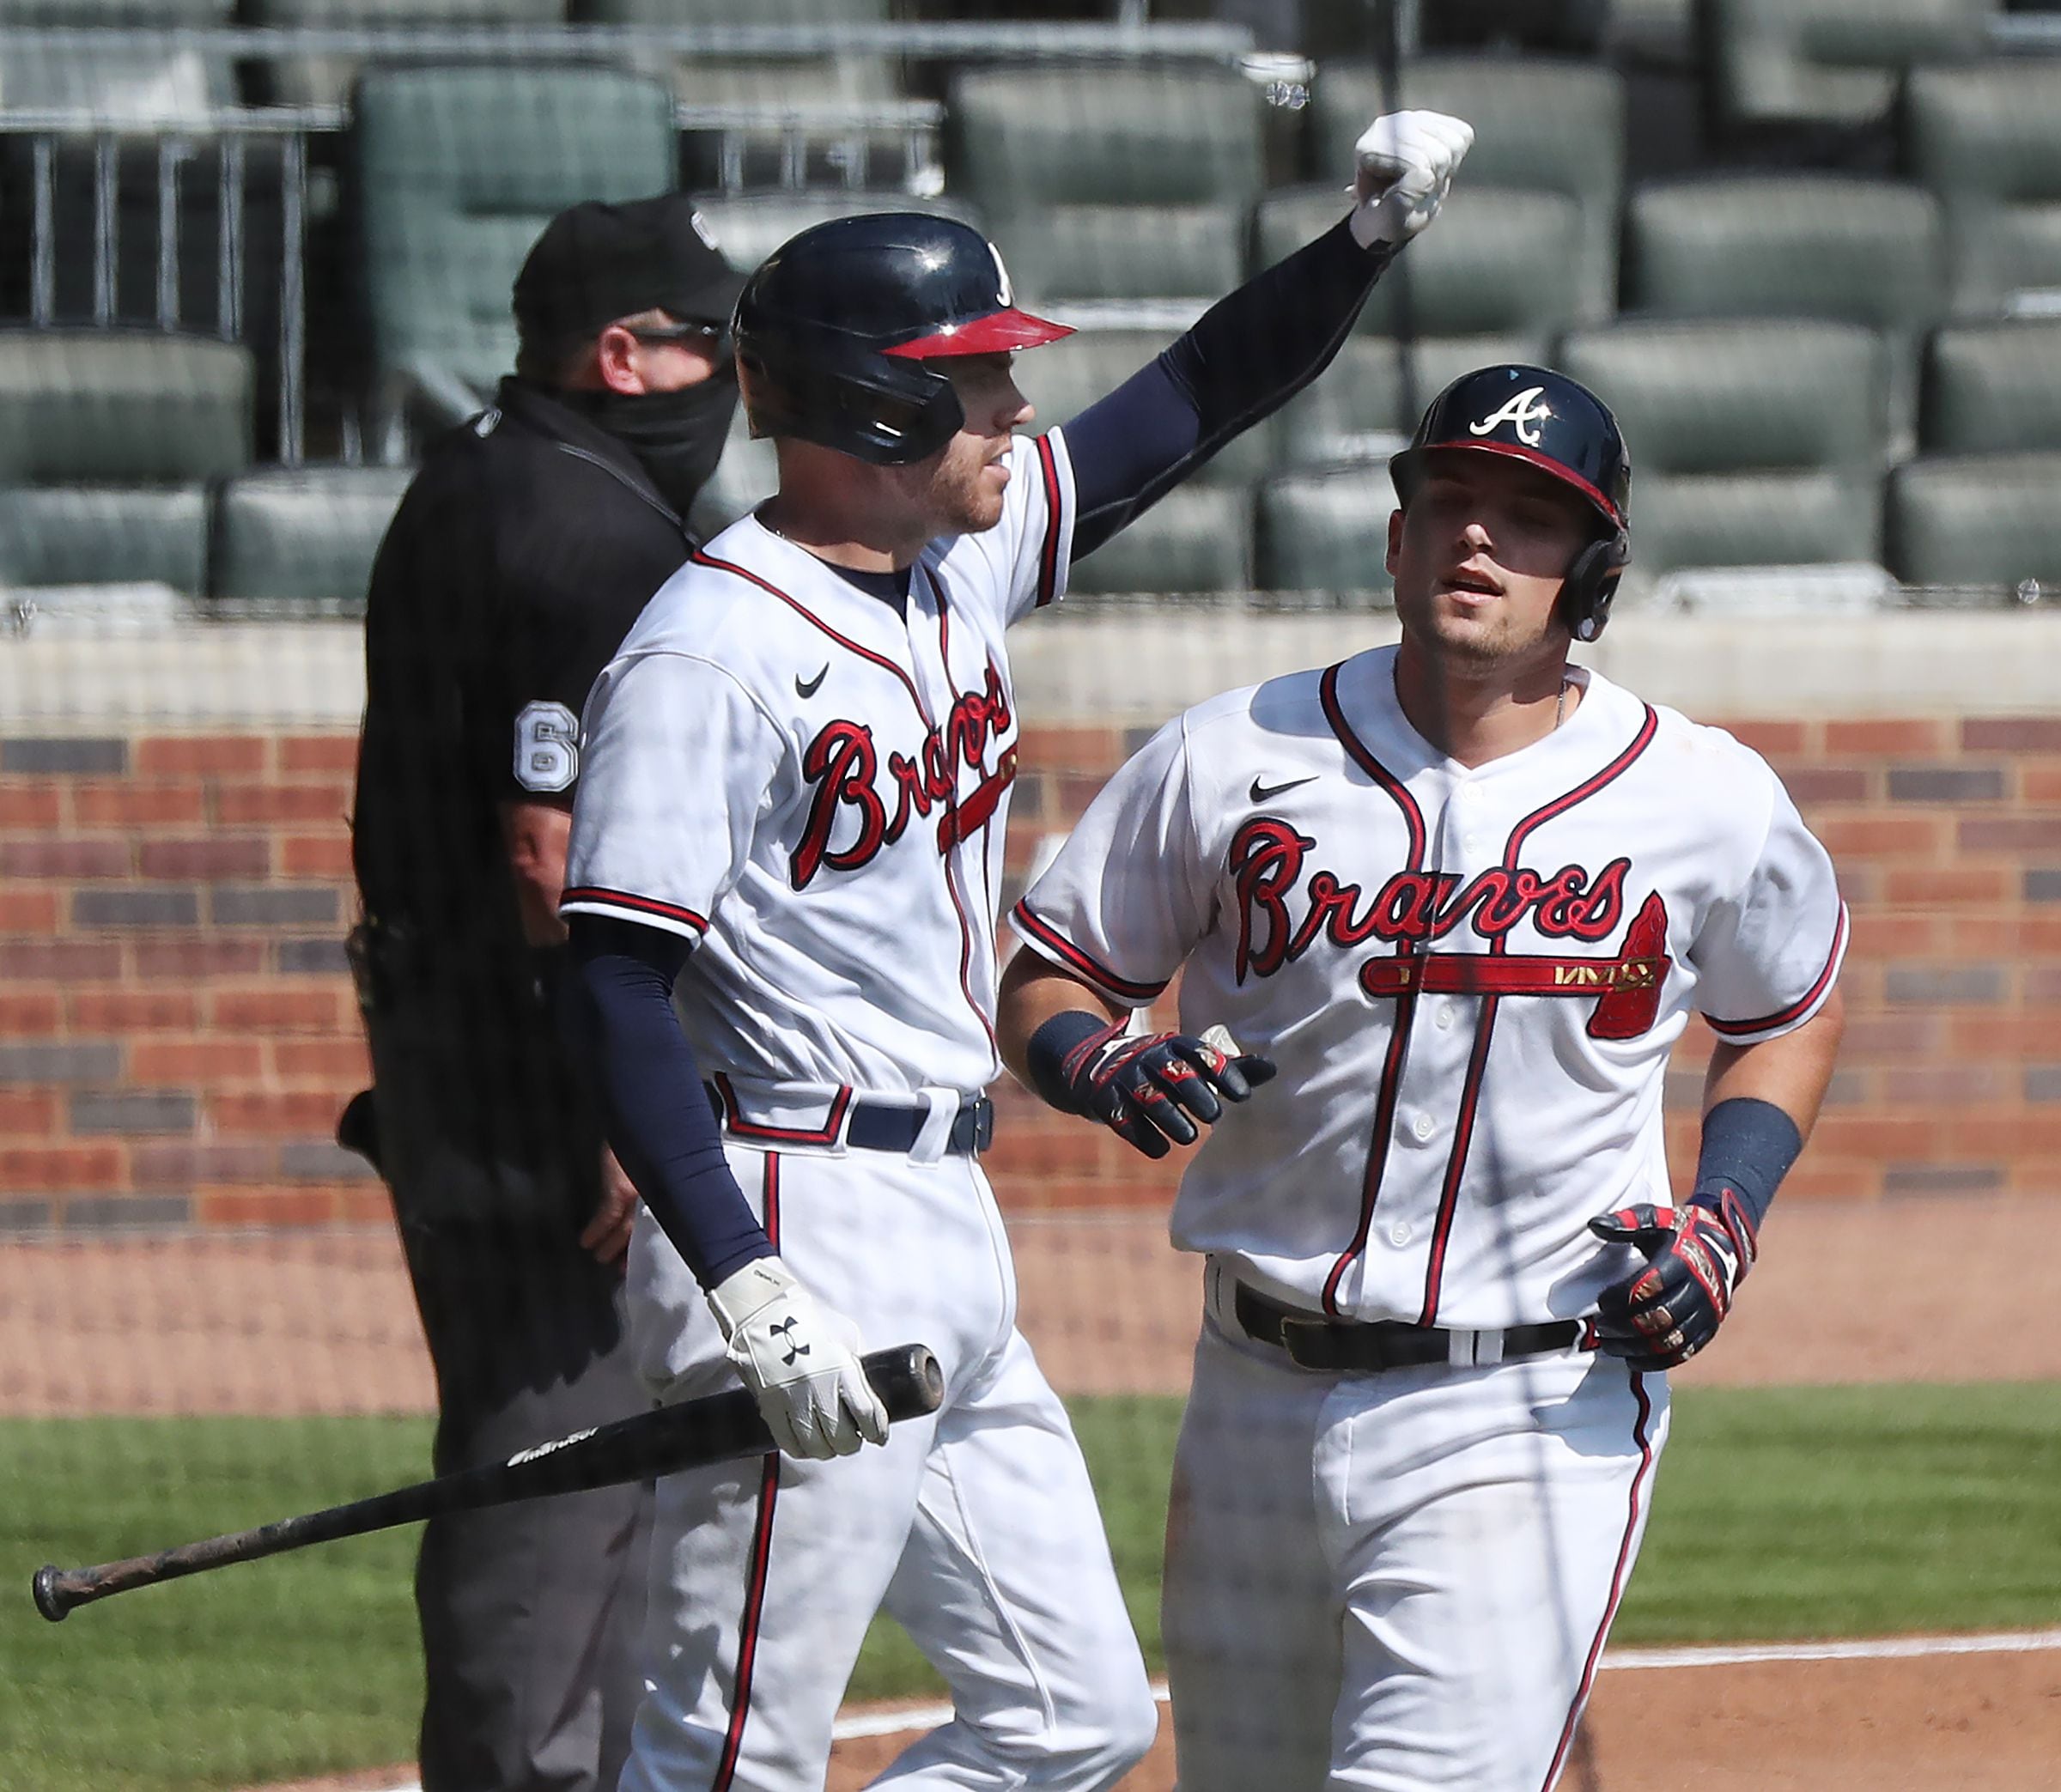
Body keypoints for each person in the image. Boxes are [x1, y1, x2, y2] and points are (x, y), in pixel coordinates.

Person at [555, 112, 1474, 1792]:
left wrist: (1358, 247)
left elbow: (1185, 405)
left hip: (943, 1207)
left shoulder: (948, 566)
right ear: (881, 404)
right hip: (781, 1196)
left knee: (1078, 1719)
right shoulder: (709, 655)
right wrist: (747, 1288)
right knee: (727, 1746)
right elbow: (607, 982)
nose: (1016, 408)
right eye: (979, 380)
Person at [994, 364, 1850, 1791]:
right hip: (1248, 1385)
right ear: (1393, 538)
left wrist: (1728, 1214)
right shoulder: (1232, 753)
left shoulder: (1701, 794)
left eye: (1527, 517)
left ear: (1592, 569)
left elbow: (1792, 1007)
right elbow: (1051, 971)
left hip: (1530, 1402)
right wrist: (1098, 1063)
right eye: (1447, 501)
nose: (1475, 539)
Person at [344, 191, 745, 1792]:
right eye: (710, 341)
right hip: (533, 1072)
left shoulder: (491, 478)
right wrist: (611, 1110)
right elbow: (544, 850)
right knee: (560, 1474)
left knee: (594, 1474)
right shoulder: (580, 534)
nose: (733, 374)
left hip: (466, 1039)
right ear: (622, 354)